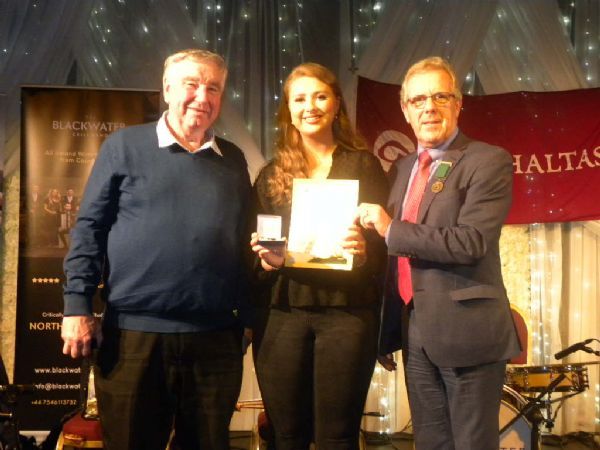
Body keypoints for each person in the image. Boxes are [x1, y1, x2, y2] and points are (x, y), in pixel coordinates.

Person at [61, 49, 252, 450]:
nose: (202, 96)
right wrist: (77, 305)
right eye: (191, 84)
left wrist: (249, 317)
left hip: (215, 340)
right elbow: (89, 229)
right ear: (167, 89)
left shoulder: (233, 160)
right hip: (133, 338)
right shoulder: (124, 146)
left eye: (213, 88)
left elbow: (245, 239)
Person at [358, 56, 521, 450]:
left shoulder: (488, 160)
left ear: (458, 103)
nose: (428, 107)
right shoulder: (401, 169)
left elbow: (471, 241)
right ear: (405, 110)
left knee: (472, 444)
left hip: (469, 332)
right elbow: (396, 252)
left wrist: (390, 228)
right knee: (430, 442)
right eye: (418, 100)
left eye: (440, 97)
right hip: (415, 331)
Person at [250, 62, 389, 450]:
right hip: (282, 315)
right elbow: (252, 250)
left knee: (337, 437)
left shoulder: (364, 165)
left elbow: (385, 246)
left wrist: (364, 251)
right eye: (299, 99)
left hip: (348, 314)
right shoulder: (270, 174)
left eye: (320, 96)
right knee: (286, 435)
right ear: (288, 111)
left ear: (336, 104)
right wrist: (265, 261)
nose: (310, 106)